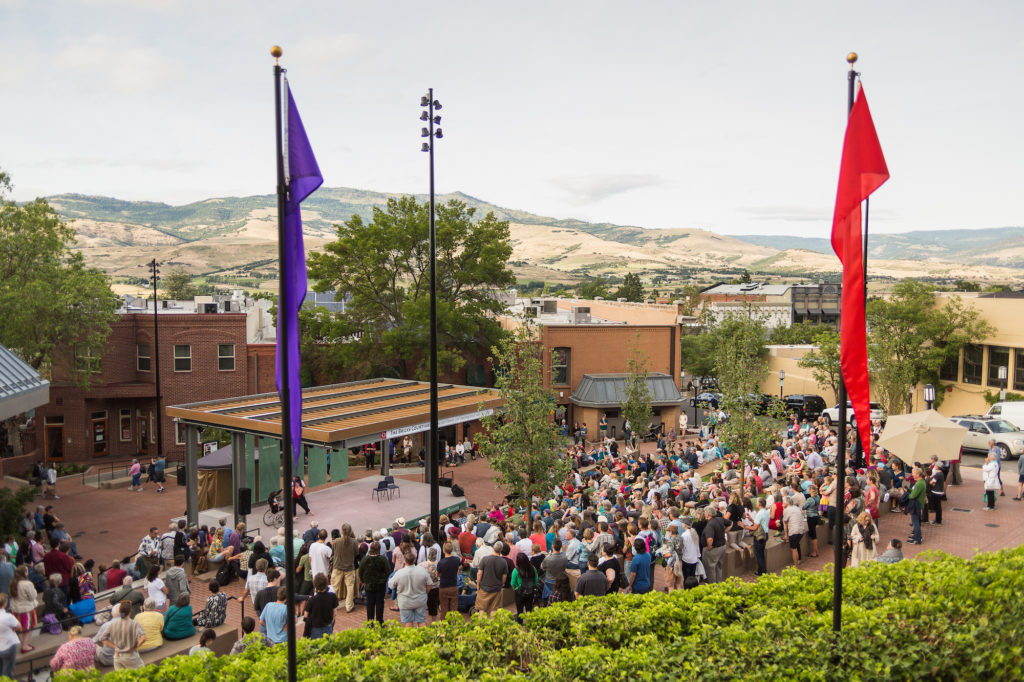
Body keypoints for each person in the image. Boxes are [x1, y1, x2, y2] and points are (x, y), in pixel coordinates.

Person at [387, 550, 430, 627]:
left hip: (405, 601)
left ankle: (409, 638)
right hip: (420, 599)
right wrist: (425, 592)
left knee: (408, 622)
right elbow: (429, 584)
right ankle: (424, 638)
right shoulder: (422, 570)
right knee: (421, 621)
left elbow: (390, 585)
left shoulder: (399, 573)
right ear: (414, 560)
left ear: (405, 561)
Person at [101, 601, 147, 670]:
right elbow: (143, 638)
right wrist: (134, 647)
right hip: (130, 656)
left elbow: (103, 639)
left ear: (120, 611)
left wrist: (115, 647)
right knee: (141, 675)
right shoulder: (134, 623)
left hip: (117, 656)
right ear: (130, 611)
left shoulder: (112, 624)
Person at [357, 540, 390, 624]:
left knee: (370, 604)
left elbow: (360, 572)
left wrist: (363, 580)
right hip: (380, 584)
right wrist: (384, 579)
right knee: (380, 603)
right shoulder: (383, 559)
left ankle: (370, 623)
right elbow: (388, 571)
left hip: (369, 585)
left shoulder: (365, 559)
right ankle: (380, 622)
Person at [474, 542, 509, 616]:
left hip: (484, 588)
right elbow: (504, 577)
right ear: (501, 550)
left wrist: (478, 584)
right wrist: (502, 584)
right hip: (496, 589)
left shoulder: (485, 559)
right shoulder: (503, 562)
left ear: (493, 548)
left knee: (481, 609)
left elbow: (479, 573)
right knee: (494, 609)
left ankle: (481, 625)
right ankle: (492, 626)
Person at [330, 524, 358, 613]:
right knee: (350, 587)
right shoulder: (354, 542)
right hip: (349, 568)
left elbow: (333, 552)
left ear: (342, 531)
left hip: (337, 566)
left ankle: (330, 606)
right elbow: (356, 553)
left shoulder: (336, 541)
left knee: (334, 587)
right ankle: (349, 606)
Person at [9, 565, 37, 654]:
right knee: (29, 628)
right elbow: (32, 596)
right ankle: (25, 646)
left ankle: (23, 644)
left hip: (15, 609)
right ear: (25, 573)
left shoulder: (12, 582)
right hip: (26, 609)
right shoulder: (27, 584)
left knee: (19, 628)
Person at [304, 573, 337, 639]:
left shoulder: (311, 600)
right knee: (328, 647)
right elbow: (335, 613)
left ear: (315, 585)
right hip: (327, 627)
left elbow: (306, 616)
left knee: (315, 647)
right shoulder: (332, 596)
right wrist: (331, 624)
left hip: (315, 629)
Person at [510, 553, 538, 622]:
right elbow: (536, 581)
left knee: (520, 612)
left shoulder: (516, 570)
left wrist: (516, 589)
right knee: (529, 611)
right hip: (530, 592)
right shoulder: (533, 568)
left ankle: (520, 627)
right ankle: (529, 625)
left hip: (520, 593)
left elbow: (512, 583)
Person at [436, 542, 461, 619]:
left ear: (444, 550)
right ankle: (453, 626)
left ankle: (444, 626)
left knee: (444, 609)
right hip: (453, 586)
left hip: (443, 587)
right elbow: (459, 569)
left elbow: (438, 574)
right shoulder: (457, 560)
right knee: (453, 609)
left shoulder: (441, 562)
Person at [782, 496, 808, 567]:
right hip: (801, 530)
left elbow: (785, 522)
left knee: (793, 549)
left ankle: (795, 566)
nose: (782, 504)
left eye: (783, 502)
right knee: (797, 544)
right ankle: (799, 560)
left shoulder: (786, 510)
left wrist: (786, 535)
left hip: (794, 531)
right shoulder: (796, 508)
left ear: (786, 503)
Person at [0, 594, 21, 679]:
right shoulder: (7, 616)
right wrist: (13, 629)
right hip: (8, 645)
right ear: (5, 604)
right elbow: (18, 626)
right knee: (7, 671)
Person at [906, 466, 926, 545]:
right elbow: (915, 492)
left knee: (916, 522)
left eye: (913, 473)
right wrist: (909, 490)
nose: (912, 475)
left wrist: (907, 495)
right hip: (918, 504)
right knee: (916, 521)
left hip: (916, 504)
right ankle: (917, 537)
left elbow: (913, 495)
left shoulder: (919, 483)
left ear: (918, 474)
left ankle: (917, 538)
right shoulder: (921, 482)